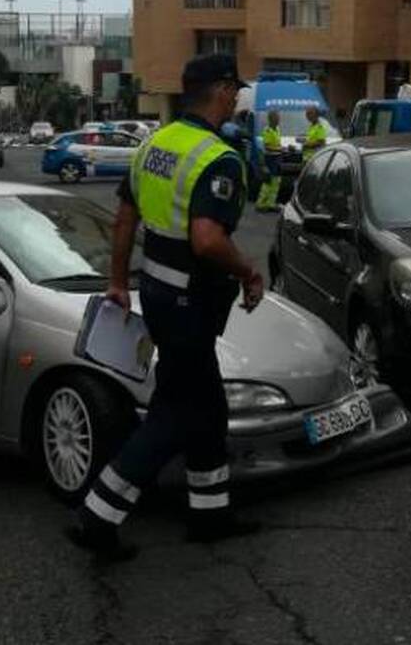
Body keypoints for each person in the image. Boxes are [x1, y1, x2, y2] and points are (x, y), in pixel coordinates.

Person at [66, 54, 265, 561]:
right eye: (234, 90)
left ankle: (210, 513)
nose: (237, 98)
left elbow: (124, 221)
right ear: (220, 91)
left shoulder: (152, 145)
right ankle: (98, 515)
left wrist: (116, 281)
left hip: (155, 293)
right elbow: (207, 239)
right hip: (191, 305)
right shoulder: (217, 157)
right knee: (175, 413)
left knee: (207, 404)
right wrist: (248, 271)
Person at [256, 111, 283, 212]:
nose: (278, 120)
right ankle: (260, 204)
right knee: (268, 182)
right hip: (270, 158)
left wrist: (281, 149)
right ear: (271, 119)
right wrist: (280, 149)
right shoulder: (267, 130)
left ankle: (270, 203)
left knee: (276, 182)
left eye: (278, 118)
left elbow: (277, 144)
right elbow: (267, 147)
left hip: (277, 158)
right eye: (276, 118)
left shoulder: (277, 129)